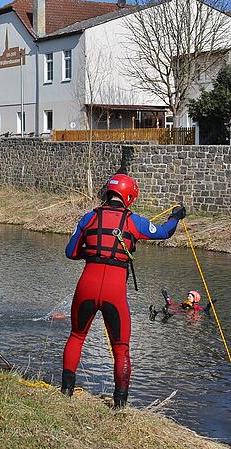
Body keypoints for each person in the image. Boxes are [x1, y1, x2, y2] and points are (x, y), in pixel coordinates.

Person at [61, 173, 186, 408]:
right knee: (120, 348)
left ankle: (65, 392)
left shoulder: (88, 217)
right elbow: (164, 232)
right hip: (114, 292)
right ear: (129, 196)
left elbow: (70, 252)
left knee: (77, 336)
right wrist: (176, 216)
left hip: (87, 284)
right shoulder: (134, 221)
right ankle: (119, 405)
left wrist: (93, 253)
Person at [149, 289, 213, 321]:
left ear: (195, 299)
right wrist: (166, 296)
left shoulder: (195, 307)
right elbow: (171, 304)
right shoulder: (185, 303)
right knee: (170, 308)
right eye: (188, 296)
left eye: (190, 297)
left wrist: (209, 305)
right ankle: (156, 312)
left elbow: (205, 310)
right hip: (179, 311)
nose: (188, 297)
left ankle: (165, 314)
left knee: (174, 312)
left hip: (184, 313)